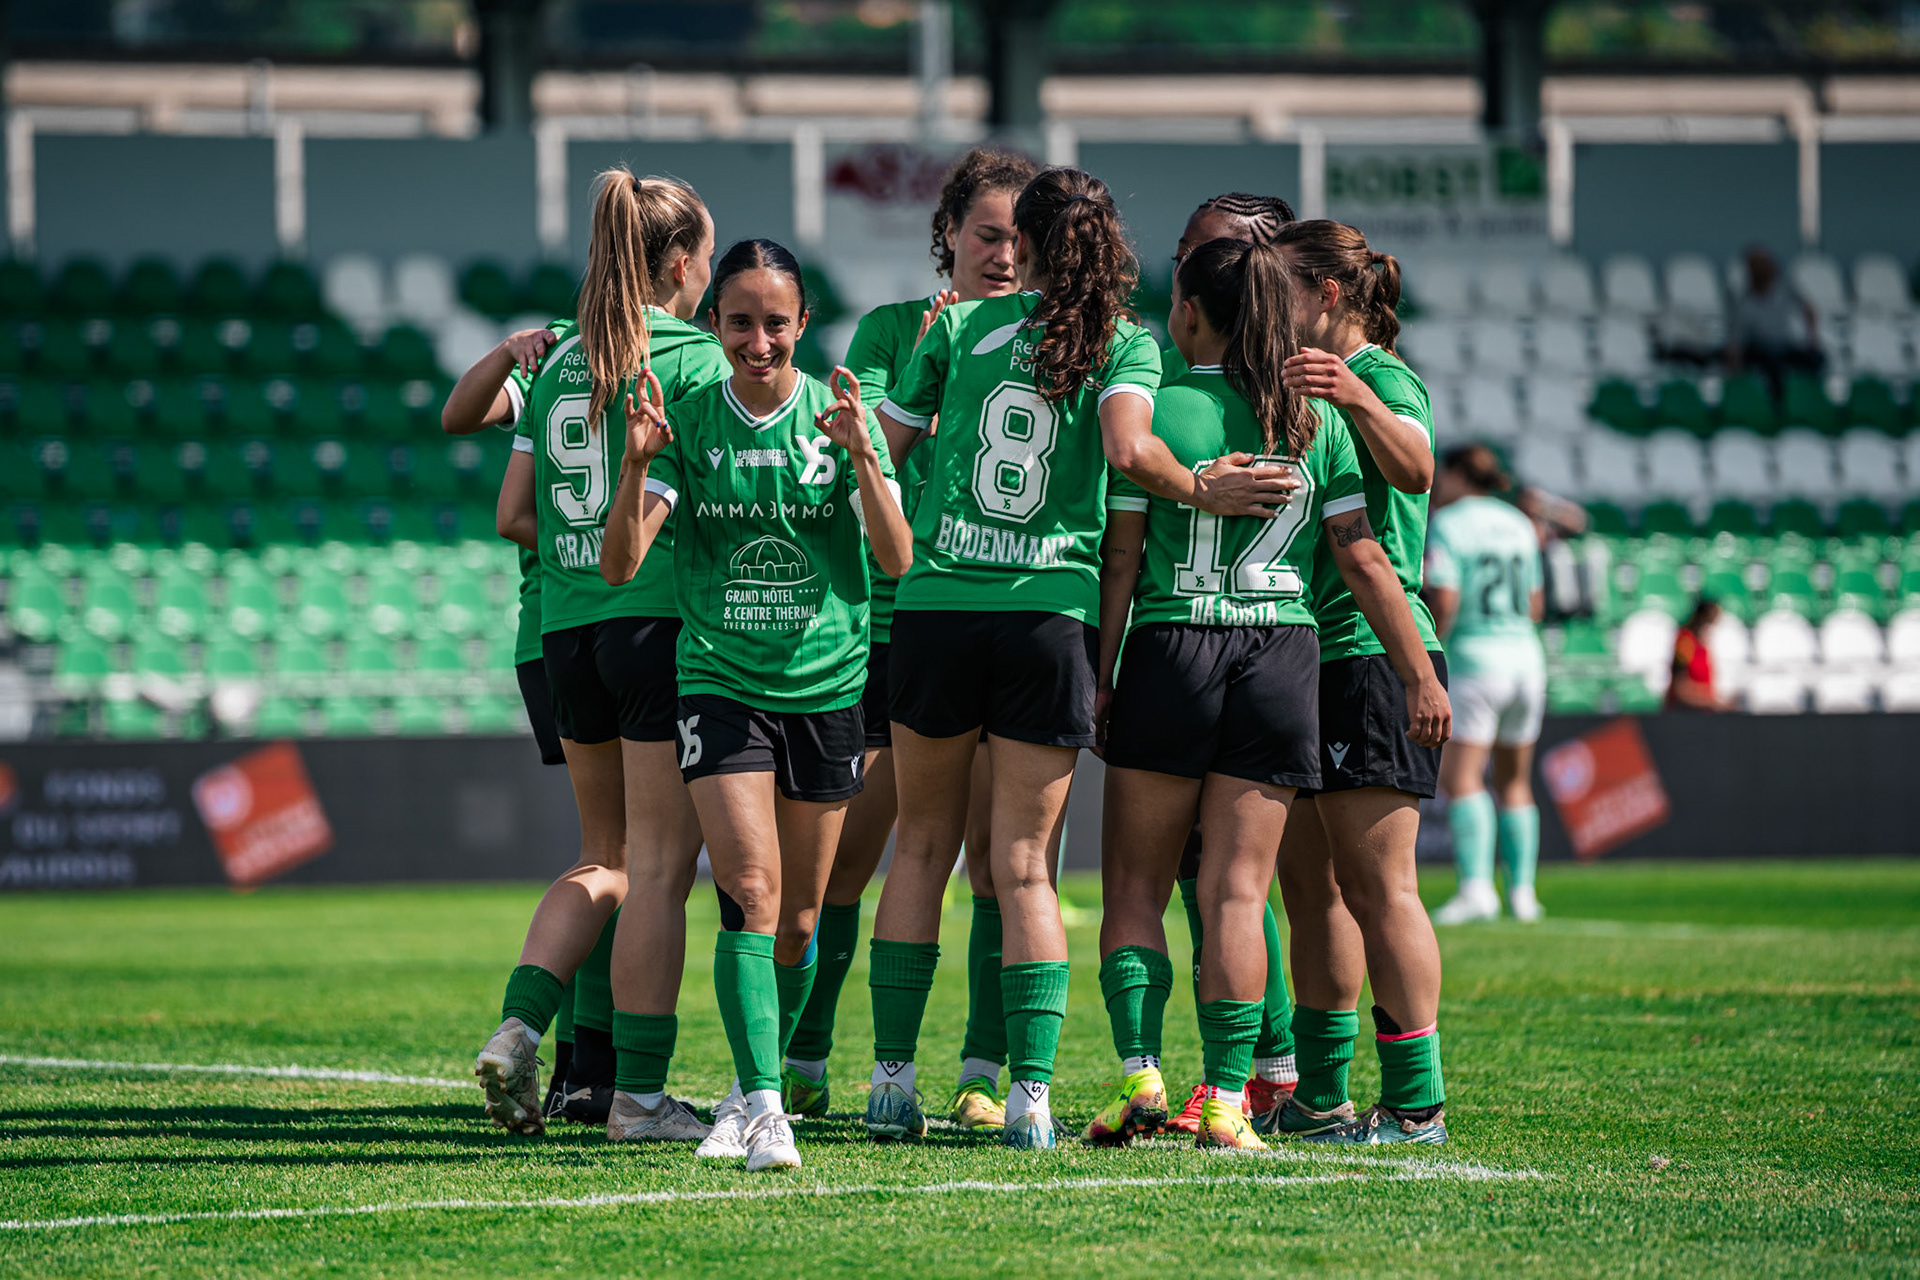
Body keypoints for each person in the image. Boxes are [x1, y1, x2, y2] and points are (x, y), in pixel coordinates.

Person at [865, 166, 1297, 1150]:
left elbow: (885, 445)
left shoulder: (958, 327)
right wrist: (1200, 484)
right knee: (1025, 869)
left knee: (922, 847)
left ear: (1021, 239)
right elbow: (1130, 451)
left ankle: (892, 1082)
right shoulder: (1126, 342)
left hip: (935, 604)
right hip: (1047, 617)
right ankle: (1030, 1097)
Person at [1090, 236, 1447, 1152]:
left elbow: (1121, 553)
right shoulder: (1310, 417)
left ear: (1188, 314)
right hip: (1288, 650)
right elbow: (1362, 553)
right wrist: (1420, 671)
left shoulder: (1157, 406)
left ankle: (1140, 1076)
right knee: (1245, 893)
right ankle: (1228, 1098)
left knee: (1135, 884)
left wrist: (1100, 668)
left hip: (1174, 644)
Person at [600, 238, 912, 1172]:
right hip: (721, 682)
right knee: (751, 892)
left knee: (805, 918)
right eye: (740, 321)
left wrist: (864, 459)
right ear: (715, 323)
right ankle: (769, 1109)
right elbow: (621, 565)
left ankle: (751, 1085)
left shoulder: (837, 415)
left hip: (825, 686)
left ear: (802, 325)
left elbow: (896, 559)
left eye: (777, 322)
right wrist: (633, 465)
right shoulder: (688, 421)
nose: (759, 340)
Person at [780, 146, 1039, 1134]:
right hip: (889, 627)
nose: (1005, 253)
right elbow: (860, 462)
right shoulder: (894, 329)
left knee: (996, 859)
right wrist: (932, 377)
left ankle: (982, 1067)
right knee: (851, 859)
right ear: (949, 239)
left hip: (1005, 616)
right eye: (987, 234)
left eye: (1021, 237)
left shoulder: (1053, 340)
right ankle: (805, 1053)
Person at [472, 170, 723, 1145]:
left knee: (604, 857)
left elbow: (510, 514)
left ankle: (532, 1033)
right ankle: (632, 1094)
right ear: (679, 263)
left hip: (569, 630)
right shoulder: (693, 357)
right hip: (658, 624)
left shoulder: (564, 358)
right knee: (656, 867)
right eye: (706, 259)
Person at [1267, 218, 1455, 1146]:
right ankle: (1324, 1095)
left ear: (1328, 295)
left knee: (1383, 887)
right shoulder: (1302, 380)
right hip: (1311, 651)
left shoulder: (1380, 374)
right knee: (1315, 892)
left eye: (1285, 289)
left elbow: (1419, 469)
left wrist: (1353, 394)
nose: (1272, 308)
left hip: (1377, 656)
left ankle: (1417, 1102)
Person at [1157, 190, 1307, 1139]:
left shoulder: (1300, 387)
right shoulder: (1300, 398)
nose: (1184, 268)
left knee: (1251, 879)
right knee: (1217, 875)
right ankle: (1275, 1066)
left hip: (1230, 637)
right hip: (1285, 642)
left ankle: (1287, 1062)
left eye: (1200, 255)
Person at [442, 323, 573, 1111]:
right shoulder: (678, 351)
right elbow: (463, 414)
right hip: (626, 618)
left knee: (613, 853)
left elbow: (459, 418)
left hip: (548, 627)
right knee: (638, 859)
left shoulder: (562, 346)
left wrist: (504, 350)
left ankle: (574, 1068)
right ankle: (591, 1072)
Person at [1425, 444, 1549, 926]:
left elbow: (1447, 599)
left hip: (1478, 658)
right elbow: (1537, 605)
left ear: (1457, 474)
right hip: (1527, 657)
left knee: (1462, 778)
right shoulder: (1518, 522)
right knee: (1516, 781)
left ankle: (1477, 889)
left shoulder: (1451, 522)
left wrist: (1430, 646)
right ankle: (1523, 893)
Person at [1725, 245, 1821, 403]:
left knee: (1816, 359)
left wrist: (1812, 339)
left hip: (1783, 346)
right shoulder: (1743, 301)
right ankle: (1777, 406)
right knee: (1772, 362)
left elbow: (1809, 309)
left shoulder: (1784, 289)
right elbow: (1735, 341)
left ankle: (1810, 401)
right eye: (1759, 265)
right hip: (1758, 349)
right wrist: (1734, 373)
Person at [1665, 598, 1731, 711]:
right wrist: (1712, 702)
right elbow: (1680, 687)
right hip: (1685, 714)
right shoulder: (1685, 642)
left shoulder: (1703, 646)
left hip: (1704, 714)